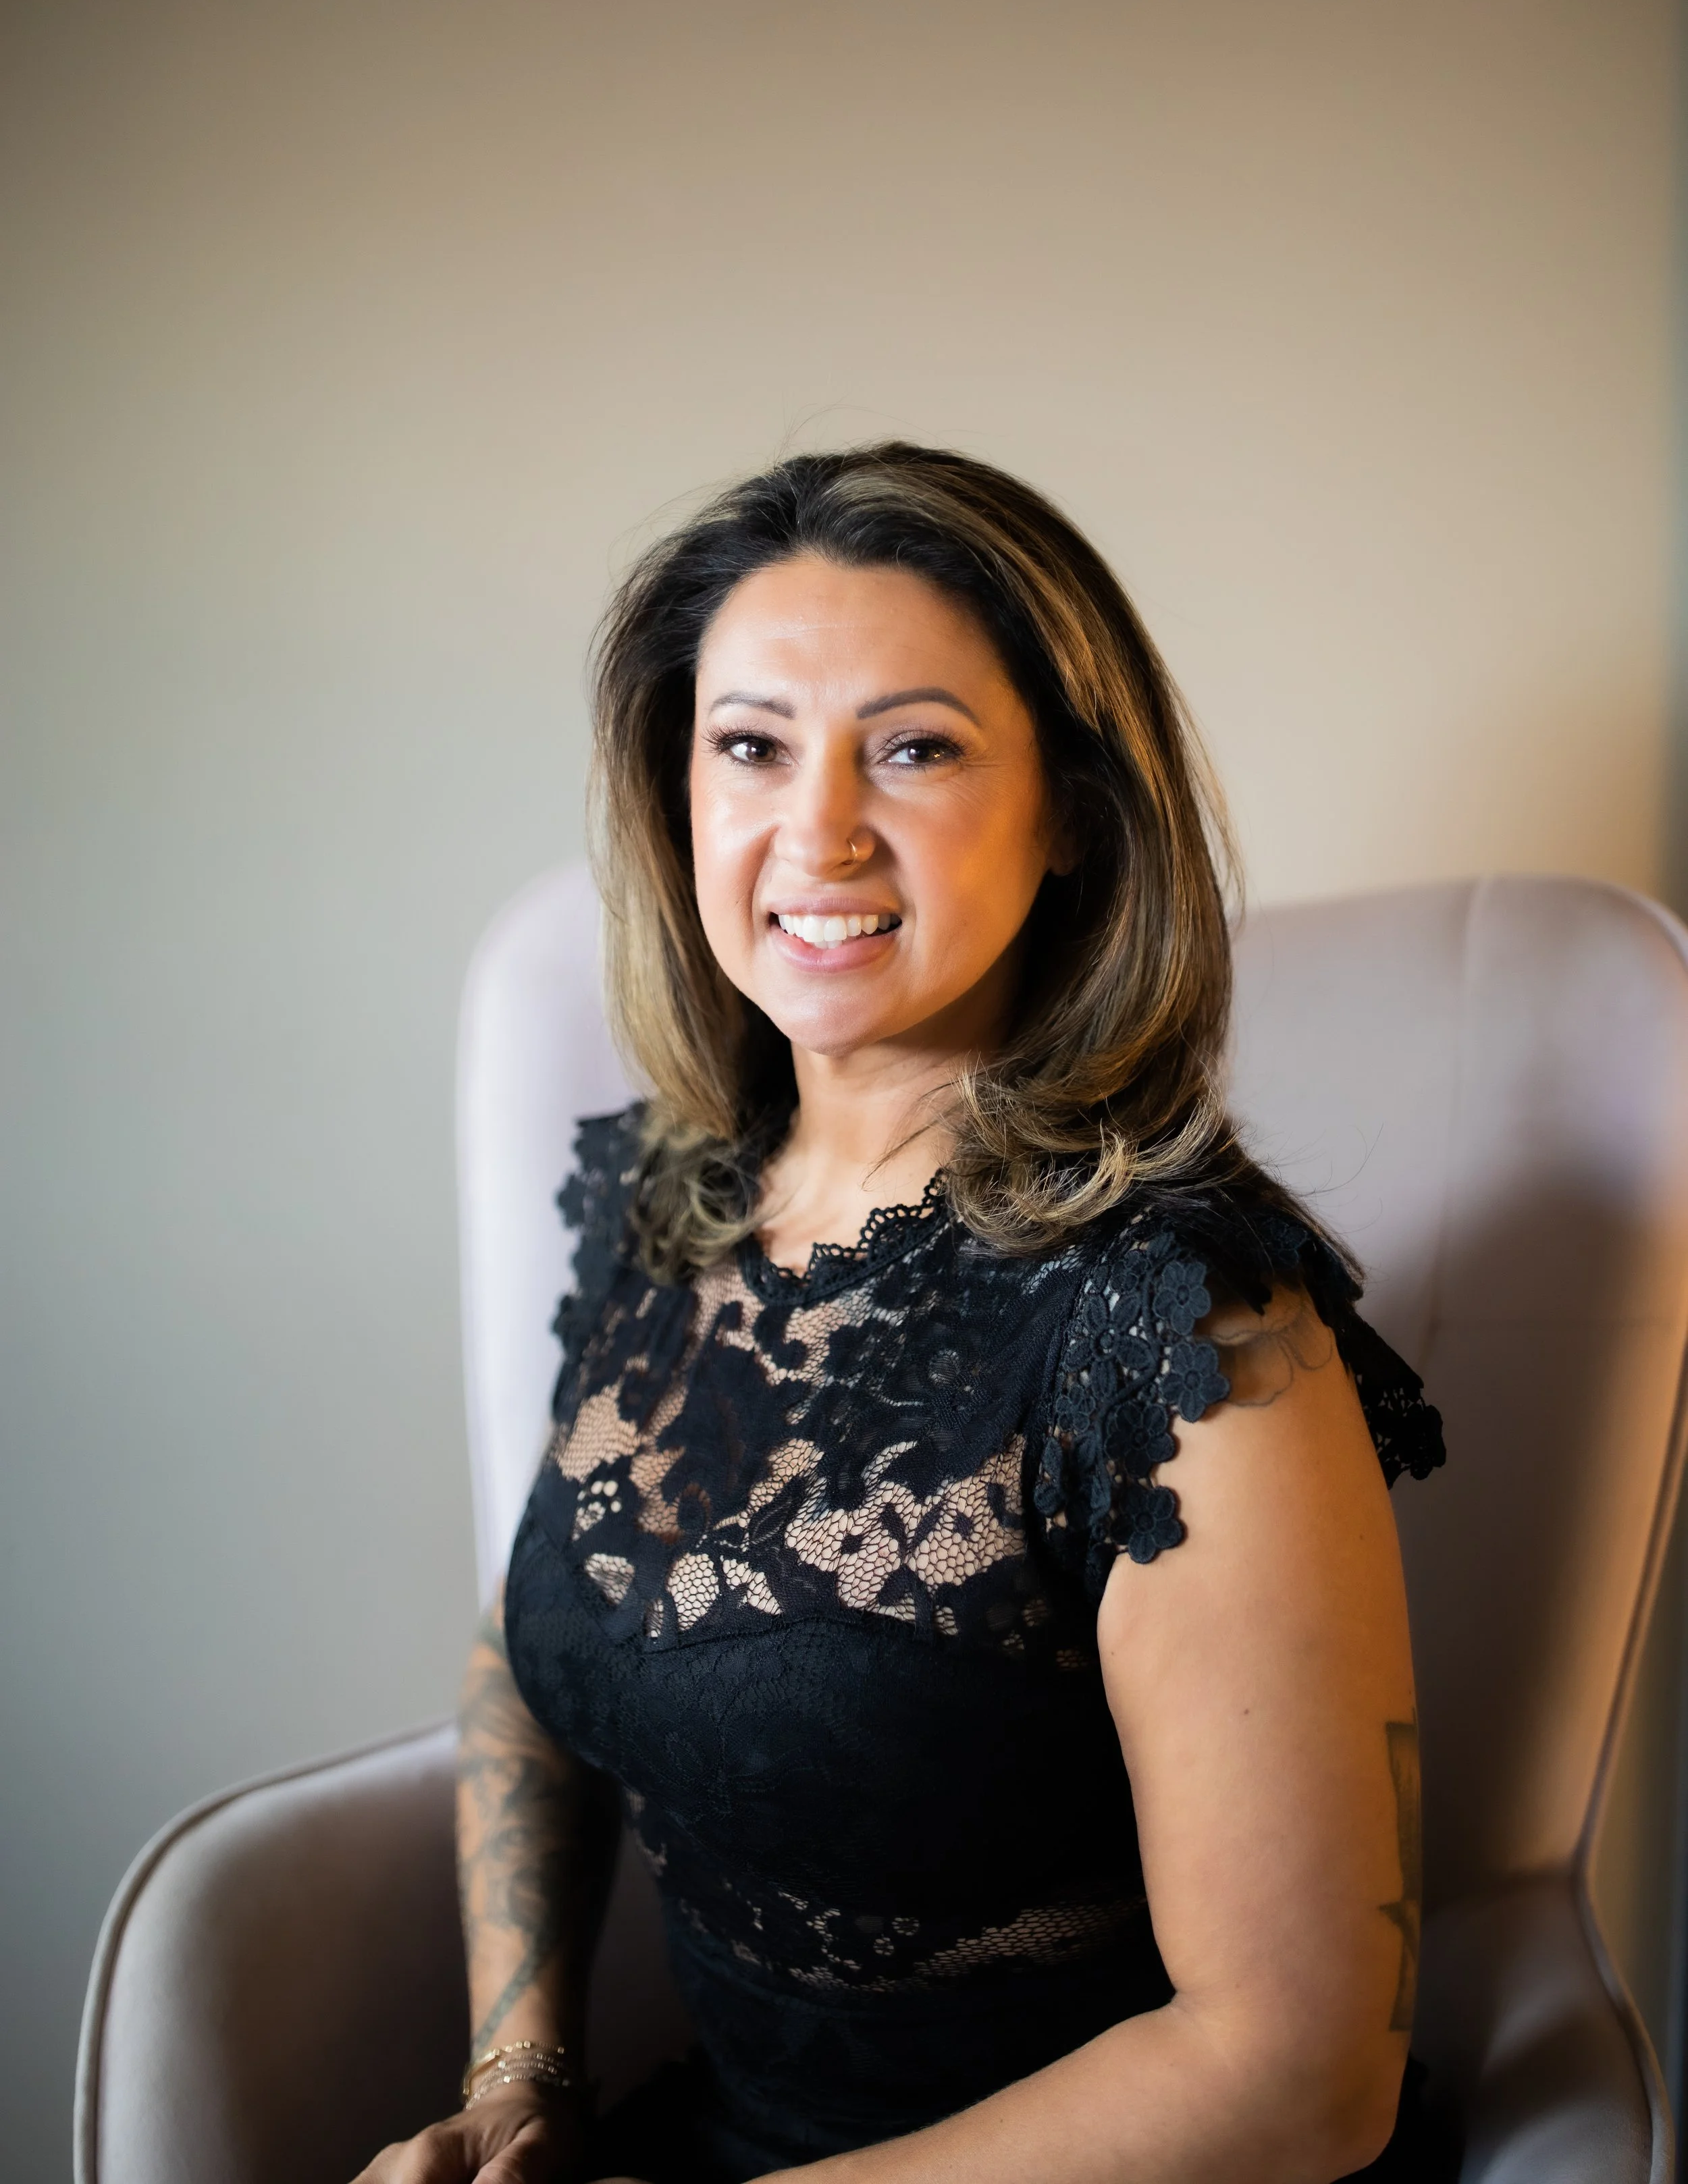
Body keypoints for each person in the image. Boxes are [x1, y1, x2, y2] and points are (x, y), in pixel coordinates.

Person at [354, 444, 1448, 2184]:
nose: (818, 830)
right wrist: (521, 2075)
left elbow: (1299, 2071)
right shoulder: (665, 1203)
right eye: (750, 746)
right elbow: (533, 1650)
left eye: (917, 747)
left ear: (1076, 810)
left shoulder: (1183, 1327)